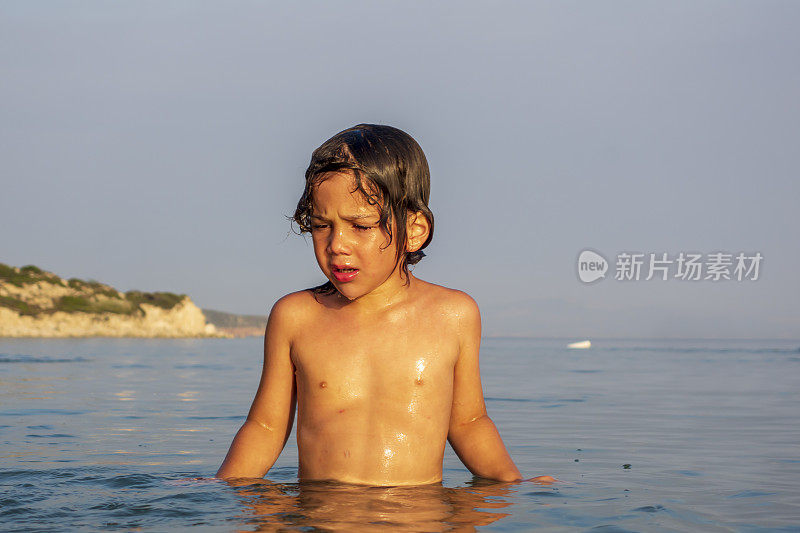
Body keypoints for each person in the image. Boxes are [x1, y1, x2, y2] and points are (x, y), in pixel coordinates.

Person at [216, 124, 553, 486]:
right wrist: (219, 488)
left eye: (359, 226)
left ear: (414, 230)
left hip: (417, 513)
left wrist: (514, 485)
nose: (336, 245)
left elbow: (469, 423)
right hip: (321, 514)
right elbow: (265, 427)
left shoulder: (453, 315)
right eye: (320, 225)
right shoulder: (296, 317)